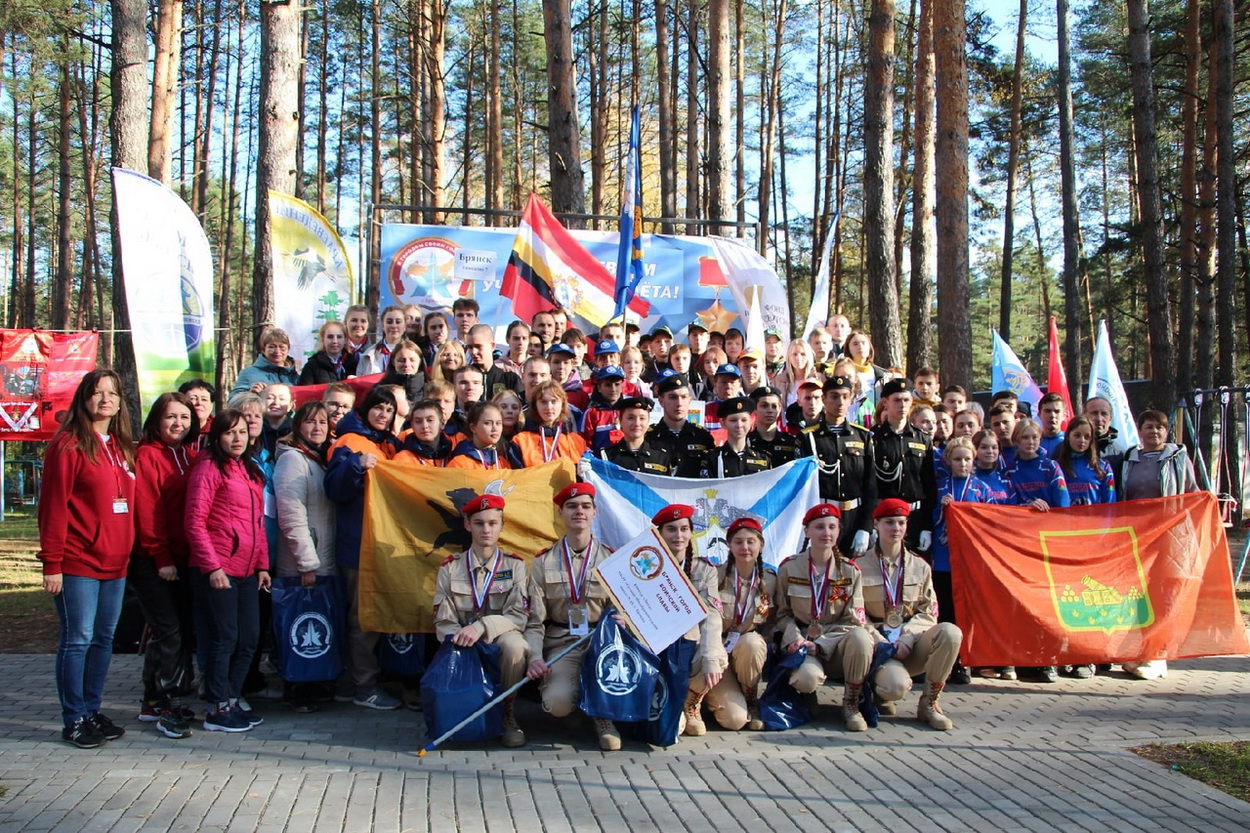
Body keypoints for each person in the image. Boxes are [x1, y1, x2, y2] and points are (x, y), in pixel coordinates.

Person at [39, 370, 138, 748]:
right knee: (77, 639)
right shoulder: (68, 446)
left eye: (112, 393)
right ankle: (74, 717)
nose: (105, 400)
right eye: (97, 393)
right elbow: (53, 508)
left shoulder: (119, 446)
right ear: (84, 399)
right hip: (78, 560)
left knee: (103, 638)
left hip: (116, 563)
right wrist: (52, 563)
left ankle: (92, 709)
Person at [186, 409, 272, 733]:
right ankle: (217, 705)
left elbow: (258, 523)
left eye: (241, 432)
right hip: (219, 568)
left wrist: (262, 564)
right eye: (229, 433)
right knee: (225, 638)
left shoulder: (250, 470)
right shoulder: (208, 467)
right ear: (217, 436)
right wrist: (212, 566)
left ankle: (233, 698)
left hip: (248, 570)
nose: (236, 438)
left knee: (249, 639)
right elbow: (195, 522)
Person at [325, 386, 404, 710]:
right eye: (378, 408)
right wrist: (357, 464)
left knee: (366, 616)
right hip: (358, 544)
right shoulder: (351, 443)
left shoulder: (384, 444)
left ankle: (354, 682)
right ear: (365, 409)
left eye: (389, 410)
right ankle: (363, 687)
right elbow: (334, 488)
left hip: (376, 544)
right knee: (362, 618)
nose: (383, 414)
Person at [523, 484, 618, 748]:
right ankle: (577, 708)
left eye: (586, 506)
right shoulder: (543, 562)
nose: (579, 512)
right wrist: (535, 657)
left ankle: (603, 716)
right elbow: (534, 620)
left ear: (595, 513)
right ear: (560, 513)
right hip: (562, 640)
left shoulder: (611, 559)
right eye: (572, 506)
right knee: (557, 704)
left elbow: (621, 612)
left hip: (600, 641)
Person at [433, 493, 530, 747]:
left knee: (515, 646)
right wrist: (463, 637)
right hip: (464, 642)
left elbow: (518, 616)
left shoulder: (515, 566)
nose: (486, 529)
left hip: (498, 638)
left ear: (501, 526)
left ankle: (507, 713)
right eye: (479, 523)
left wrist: (482, 627)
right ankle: (465, 713)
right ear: (467, 525)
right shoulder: (450, 567)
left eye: (492, 523)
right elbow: (444, 621)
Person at [131, 392, 201, 739]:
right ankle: (168, 704)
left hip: (186, 559)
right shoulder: (148, 455)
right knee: (168, 631)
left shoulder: (190, 455)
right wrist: (161, 557)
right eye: (171, 417)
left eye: (185, 417)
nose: (178, 424)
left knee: (175, 632)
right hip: (155, 561)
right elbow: (148, 510)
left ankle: (153, 699)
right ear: (157, 420)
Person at [861, 499, 963, 730]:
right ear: (876, 524)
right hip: (878, 647)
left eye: (901, 523)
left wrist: (908, 637)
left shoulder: (921, 566)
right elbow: (855, 615)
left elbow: (929, 611)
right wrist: (882, 642)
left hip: (911, 644)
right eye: (889, 523)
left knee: (950, 633)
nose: (895, 528)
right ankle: (878, 692)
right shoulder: (858, 566)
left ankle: (929, 703)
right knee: (894, 687)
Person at [772, 503, 874, 731]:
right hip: (802, 643)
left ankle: (851, 703)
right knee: (806, 679)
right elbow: (782, 614)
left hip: (837, 645)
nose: (826, 533)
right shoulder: (790, 568)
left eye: (831, 527)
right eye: (819, 527)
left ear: (839, 531)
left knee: (861, 637)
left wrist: (822, 645)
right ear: (806, 531)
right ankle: (806, 695)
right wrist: (795, 638)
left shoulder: (850, 571)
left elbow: (854, 620)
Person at [1117, 409, 1199, 681]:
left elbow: (1192, 493)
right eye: (1148, 426)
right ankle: (1140, 650)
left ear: (1167, 432)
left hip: (1167, 536)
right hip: (1138, 538)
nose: (1154, 432)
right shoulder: (1129, 459)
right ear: (1139, 430)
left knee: (1163, 595)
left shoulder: (1177, 458)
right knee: (1139, 595)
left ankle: (1159, 654)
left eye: (1159, 427)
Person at [273, 401, 337, 713]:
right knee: (299, 624)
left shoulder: (320, 459)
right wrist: (306, 562)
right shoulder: (292, 461)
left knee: (318, 620)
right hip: (302, 562)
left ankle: (316, 683)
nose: (317, 428)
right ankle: (297, 687)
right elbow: (291, 514)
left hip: (324, 557)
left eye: (322, 422)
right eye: (310, 422)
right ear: (298, 426)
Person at [651, 505, 728, 737]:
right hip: (653, 647)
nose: (679, 535)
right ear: (660, 534)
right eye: (671, 530)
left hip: (687, 644)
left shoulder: (704, 570)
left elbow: (712, 617)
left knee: (717, 657)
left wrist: (710, 657)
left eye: (684, 529)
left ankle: (690, 703)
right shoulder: (645, 565)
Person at [928, 436, 989, 685]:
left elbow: (990, 522)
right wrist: (940, 509)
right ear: (948, 461)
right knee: (945, 611)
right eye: (957, 459)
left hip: (970, 562)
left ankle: (964, 662)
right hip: (943, 560)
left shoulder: (981, 489)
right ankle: (945, 663)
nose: (962, 463)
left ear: (973, 460)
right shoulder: (941, 488)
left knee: (967, 613)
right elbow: (930, 521)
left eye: (967, 459)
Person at [707, 517, 776, 731]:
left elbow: (775, 621)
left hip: (747, 655)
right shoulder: (714, 576)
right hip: (718, 654)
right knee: (734, 720)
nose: (744, 547)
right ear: (729, 545)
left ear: (760, 545)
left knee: (752, 642)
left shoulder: (771, 580)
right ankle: (702, 701)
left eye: (750, 542)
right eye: (738, 542)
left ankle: (751, 698)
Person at [871, 379, 937, 551]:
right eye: (897, 400)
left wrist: (927, 527)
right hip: (885, 517)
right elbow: (868, 485)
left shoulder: (922, 439)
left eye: (906, 400)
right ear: (885, 402)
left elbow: (929, 485)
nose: (902, 405)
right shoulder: (873, 438)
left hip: (914, 517)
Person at [646, 373, 714, 478]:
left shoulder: (703, 437)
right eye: (673, 397)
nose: (679, 403)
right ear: (661, 401)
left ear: (690, 401)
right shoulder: (648, 437)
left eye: (683, 397)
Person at [512, 382, 587, 466]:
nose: (549, 407)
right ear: (535, 405)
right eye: (543, 402)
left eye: (554, 401)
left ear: (562, 404)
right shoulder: (520, 441)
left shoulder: (577, 441)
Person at [599, 396, 674, 473]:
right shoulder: (606, 457)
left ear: (648, 421)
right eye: (631, 418)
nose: (637, 424)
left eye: (642, 418)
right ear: (620, 421)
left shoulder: (661, 458)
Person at [706, 397, 771, 477]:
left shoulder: (763, 458)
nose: (739, 425)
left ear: (751, 422)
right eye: (733, 420)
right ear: (723, 423)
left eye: (744, 420)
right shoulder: (713, 458)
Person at [447, 401, 522, 470]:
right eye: (488, 423)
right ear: (473, 428)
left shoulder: (503, 462)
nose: (495, 428)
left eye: (498, 423)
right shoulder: (459, 464)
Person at [232, 327, 299, 396]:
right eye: (272, 347)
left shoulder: (295, 377)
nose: (277, 351)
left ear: (288, 349)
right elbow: (233, 401)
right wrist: (250, 394)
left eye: (282, 347)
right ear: (263, 350)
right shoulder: (248, 373)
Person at [465, 323, 523, 398]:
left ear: (492, 346)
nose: (473, 352)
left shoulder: (509, 379)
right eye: (470, 347)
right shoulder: (464, 378)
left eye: (478, 346)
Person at [748, 385, 798, 466]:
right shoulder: (746, 442)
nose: (770, 410)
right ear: (754, 409)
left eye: (774, 406)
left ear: (779, 410)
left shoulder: (791, 443)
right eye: (764, 406)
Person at [580, 365, 626, 451]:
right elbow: (583, 442)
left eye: (617, 384)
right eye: (608, 385)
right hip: (600, 462)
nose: (613, 389)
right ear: (599, 388)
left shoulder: (627, 411)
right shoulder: (591, 413)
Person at [298, 321, 359, 385]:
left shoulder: (353, 363)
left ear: (345, 339)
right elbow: (304, 391)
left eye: (339, 337)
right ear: (323, 339)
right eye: (330, 337)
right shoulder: (312, 365)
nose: (335, 341)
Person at [395, 398, 452, 465]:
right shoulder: (402, 460)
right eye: (418, 421)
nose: (424, 426)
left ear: (442, 423)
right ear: (412, 426)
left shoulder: (453, 454)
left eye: (430, 420)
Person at [357, 305, 408, 376]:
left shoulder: (414, 353)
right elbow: (360, 381)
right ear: (383, 326)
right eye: (389, 322)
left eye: (398, 322)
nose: (393, 325)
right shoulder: (368, 354)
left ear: (405, 326)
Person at [378, 339, 425, 406]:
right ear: (393, 362)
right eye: (401, 360)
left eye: (412, 360)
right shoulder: (379, 391)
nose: (407, 364)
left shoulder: (430, 390)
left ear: (420, 362)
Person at [773, 340, 820, 406]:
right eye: (794, 354)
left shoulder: (819, 379)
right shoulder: (778, 381)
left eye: (803, 354)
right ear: (789, 357)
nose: (798, 358)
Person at [178, 379, 216, 448]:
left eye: (204, 399)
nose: (199, 403)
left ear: (211, 405)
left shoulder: (219, 430)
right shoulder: (175, 429)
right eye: (192, 398)